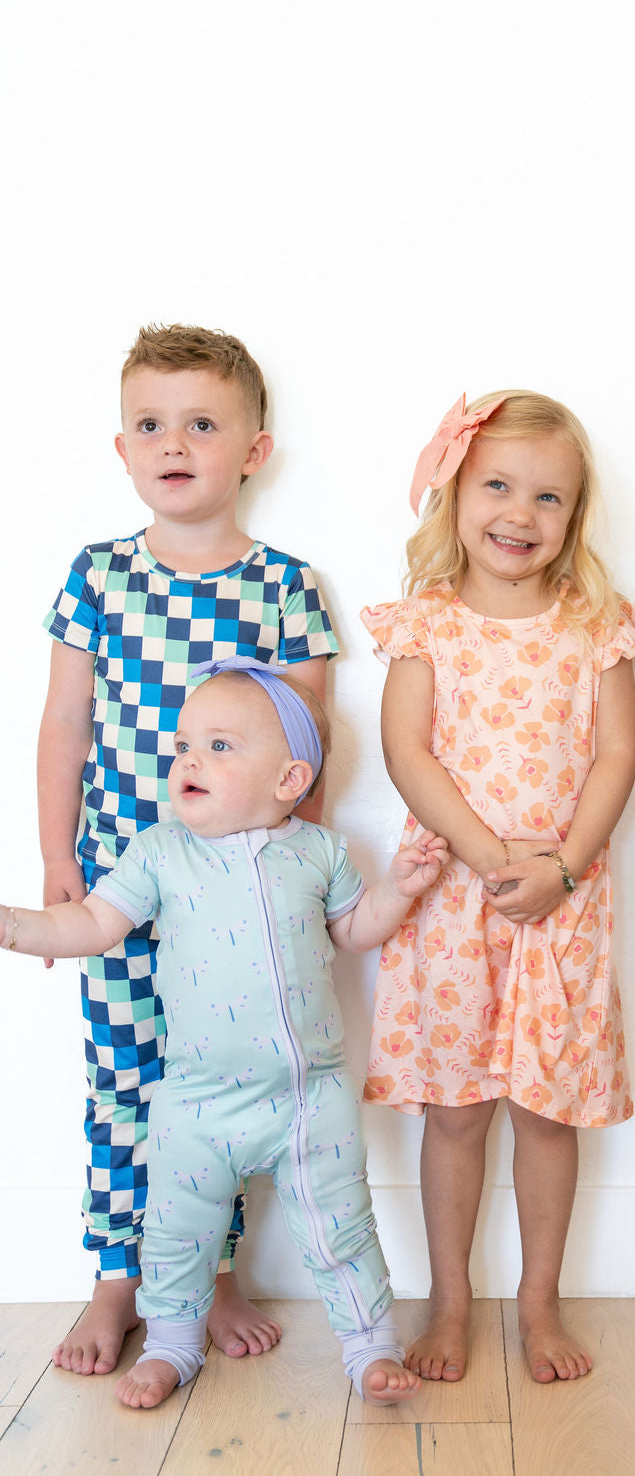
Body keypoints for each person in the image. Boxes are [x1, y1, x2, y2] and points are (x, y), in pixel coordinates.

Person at [6, 661, 446, 1408]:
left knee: (342, 1228)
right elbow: (92, 923)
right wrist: (16, 926)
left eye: (217, 746)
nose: (188, 761)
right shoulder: (159, 852)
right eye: (184, 745)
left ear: (289, 779)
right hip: (197, 1101)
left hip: (311, 1097)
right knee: (177, 1233)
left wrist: (399, 890)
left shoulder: (320, 851)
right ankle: (173, 1346)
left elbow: (352, 931)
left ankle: (370, 1347)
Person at [38, 324, 337, 1376]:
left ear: (253, 450)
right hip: (121, 887)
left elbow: (308, 746)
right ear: (122, 448)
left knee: (219, 1079)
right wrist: (57, 858)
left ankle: (208, 1270)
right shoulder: (99, 576)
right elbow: (65, 724)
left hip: (233, 895)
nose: (175, 443)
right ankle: (118, 1274)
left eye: (202, 424)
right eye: (152, 424)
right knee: (123, 1077)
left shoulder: (285, 587)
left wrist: (292, 881)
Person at [361, 390, 635, 1385]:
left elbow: (617, 753)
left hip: (562, 900)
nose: (520, 513)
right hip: (454, 897)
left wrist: (560, 864)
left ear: (575, 515)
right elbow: (407, 751)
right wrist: (489, 855)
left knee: (544, 1112)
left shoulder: (595, 626)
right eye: (497, 485)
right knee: (456, 1110)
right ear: (453, 493)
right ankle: (449, 1297)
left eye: (548, 497)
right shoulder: (427, 625)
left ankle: (539, 1299)